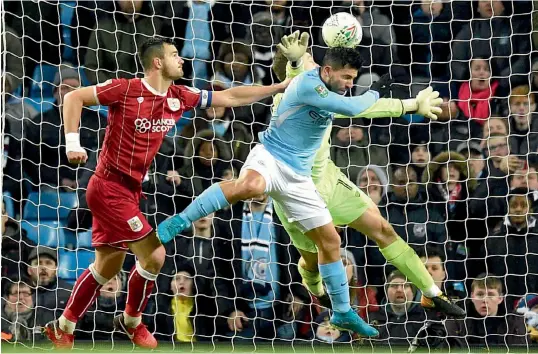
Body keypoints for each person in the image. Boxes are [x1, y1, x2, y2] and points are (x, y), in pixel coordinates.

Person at [158, 31, 459, 337]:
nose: (350, 83)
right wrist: (377, 90)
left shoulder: (323, 83)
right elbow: (357, 106)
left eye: (352, 78)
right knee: (249, 188)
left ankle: (344, 312)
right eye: (347, 77)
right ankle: (180, 220)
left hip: (307, 179)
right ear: (322, 72)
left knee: (333, 243)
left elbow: (343, 93)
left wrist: (410, 104)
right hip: (273, 159)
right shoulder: (305, 86)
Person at [43, 37, 289, 350]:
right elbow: (73, 97)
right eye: (175, 54)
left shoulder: (179, 96)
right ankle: (131, 321)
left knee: (107, 266)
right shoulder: (127, 88)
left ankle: (64, 325)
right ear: (158, 62)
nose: (182, 59)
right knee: (155, 254)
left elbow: (229, 96)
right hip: (107, 187)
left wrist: (277, 88)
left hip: (130, 191)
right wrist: (73, 144)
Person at [270, 32, 465, 320]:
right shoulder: (292, 98)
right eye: (312, 61)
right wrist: (298, 60)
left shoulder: (319, 89)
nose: (316, 63)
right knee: (312, 260)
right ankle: (315, 288)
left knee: (383, 230)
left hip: (329, 181)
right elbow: (358, 107)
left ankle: (432, 293)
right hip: (297, 195)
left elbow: (354, 103)